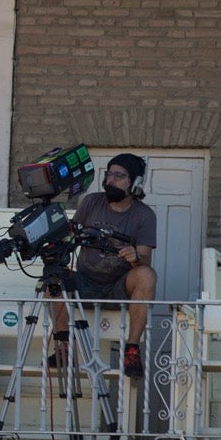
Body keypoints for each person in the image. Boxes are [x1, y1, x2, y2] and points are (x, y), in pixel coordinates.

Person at [58, 153, 158, 377]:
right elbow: (71, 233)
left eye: (119, 175)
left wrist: (135, 256)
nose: (110, 180)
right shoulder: (92, 202)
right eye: (109, 174)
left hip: (118, 288)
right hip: (84, 282)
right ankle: (63, 345)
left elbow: (145, 259)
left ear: (135, 183)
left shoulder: (144, 215)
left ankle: (132, 349)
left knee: (146, 275)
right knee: (55, 277)